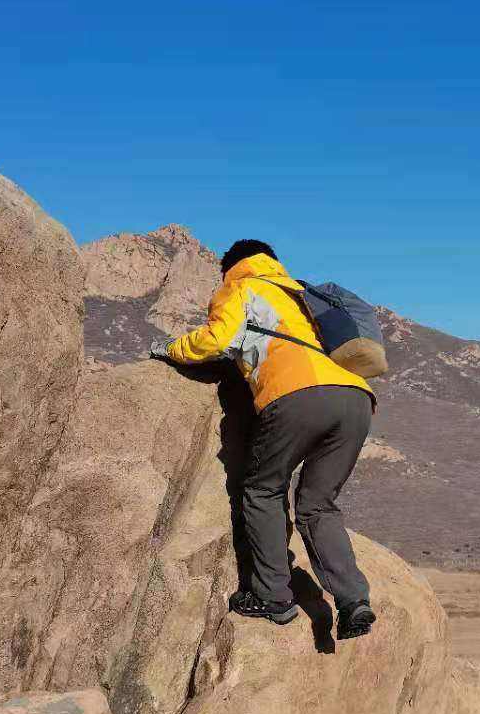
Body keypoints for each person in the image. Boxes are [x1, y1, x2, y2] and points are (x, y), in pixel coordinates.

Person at [151, 239, 377, 639]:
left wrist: (170, 348)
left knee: (262, 490)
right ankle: (353, 601)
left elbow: (215, 339)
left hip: (298, 395)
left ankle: (273, 597)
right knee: (318, 505)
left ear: (230, 267)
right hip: (356, 399)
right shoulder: (299, 292)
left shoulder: (240, 285)